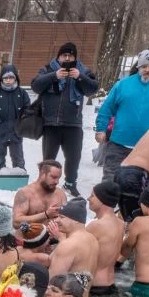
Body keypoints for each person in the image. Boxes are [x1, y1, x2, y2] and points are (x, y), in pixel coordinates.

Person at [96, 49, 149, 182]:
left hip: (147, 147)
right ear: (138, 67)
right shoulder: (123, 84)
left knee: (136, 186)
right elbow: (106, 109)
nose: (147, 70)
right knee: (109, 182)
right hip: (118, 144)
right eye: (144, 66)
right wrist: (101, 129)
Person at [30, 42, 100, 193]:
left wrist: (79, 77)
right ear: (59, 57)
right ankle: (44, 183)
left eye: (70, 56)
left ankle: (70, 183)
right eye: (64, 55)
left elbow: (93, 89)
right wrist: (54, 76)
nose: (67, 59)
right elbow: (36, 85)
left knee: (73, 158)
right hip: (51, 123)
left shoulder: (83, 71)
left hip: (73, 123)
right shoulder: (48, 69)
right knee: (49, 159)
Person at [0, 65, 30, 171]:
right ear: (2, 79)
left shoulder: (22, 93)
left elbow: (28, 109)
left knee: (18, 160)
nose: (8, 80)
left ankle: (19, 180)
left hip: (16, 132)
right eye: (5, 78)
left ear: (15, 78)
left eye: (11, 77)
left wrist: (22, 121)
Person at [87, 182, 125, 296]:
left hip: (95, 286)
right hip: (110, 284)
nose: (89, 198)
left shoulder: (97, 225)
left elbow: (75, 249)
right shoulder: (120, 224)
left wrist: (60, 236)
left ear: (103, 199)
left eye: (93, 195)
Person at [46, 199, 99, 277]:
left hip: (64, 289)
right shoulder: (92, 239)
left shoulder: (67, 245)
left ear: (76, 220)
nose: (56, 220)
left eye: (62, 217)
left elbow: (52, 280)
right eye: (57, 216)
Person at [11, 160, 67, 226]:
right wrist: (45, 214)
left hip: (54, 235)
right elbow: (16, 222)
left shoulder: (60, 194)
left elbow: (67, 220)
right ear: (42, 174)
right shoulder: (25, 194)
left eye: (58, 178)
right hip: (31, 235)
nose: (57, 182)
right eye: (53, 177)